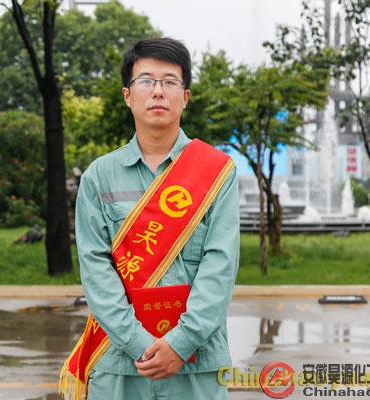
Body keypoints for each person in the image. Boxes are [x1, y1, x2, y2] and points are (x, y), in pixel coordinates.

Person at [60, 37, 240, 400]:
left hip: (197, 362)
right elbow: (95, 268)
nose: (158, 91)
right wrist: (138, 343)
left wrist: (181, 342)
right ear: (128, 95)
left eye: (169, 81)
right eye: (146, 81)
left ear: (185, 96)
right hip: (119, 362)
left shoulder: (217, 172)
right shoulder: (99, 176)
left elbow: (220, 264)